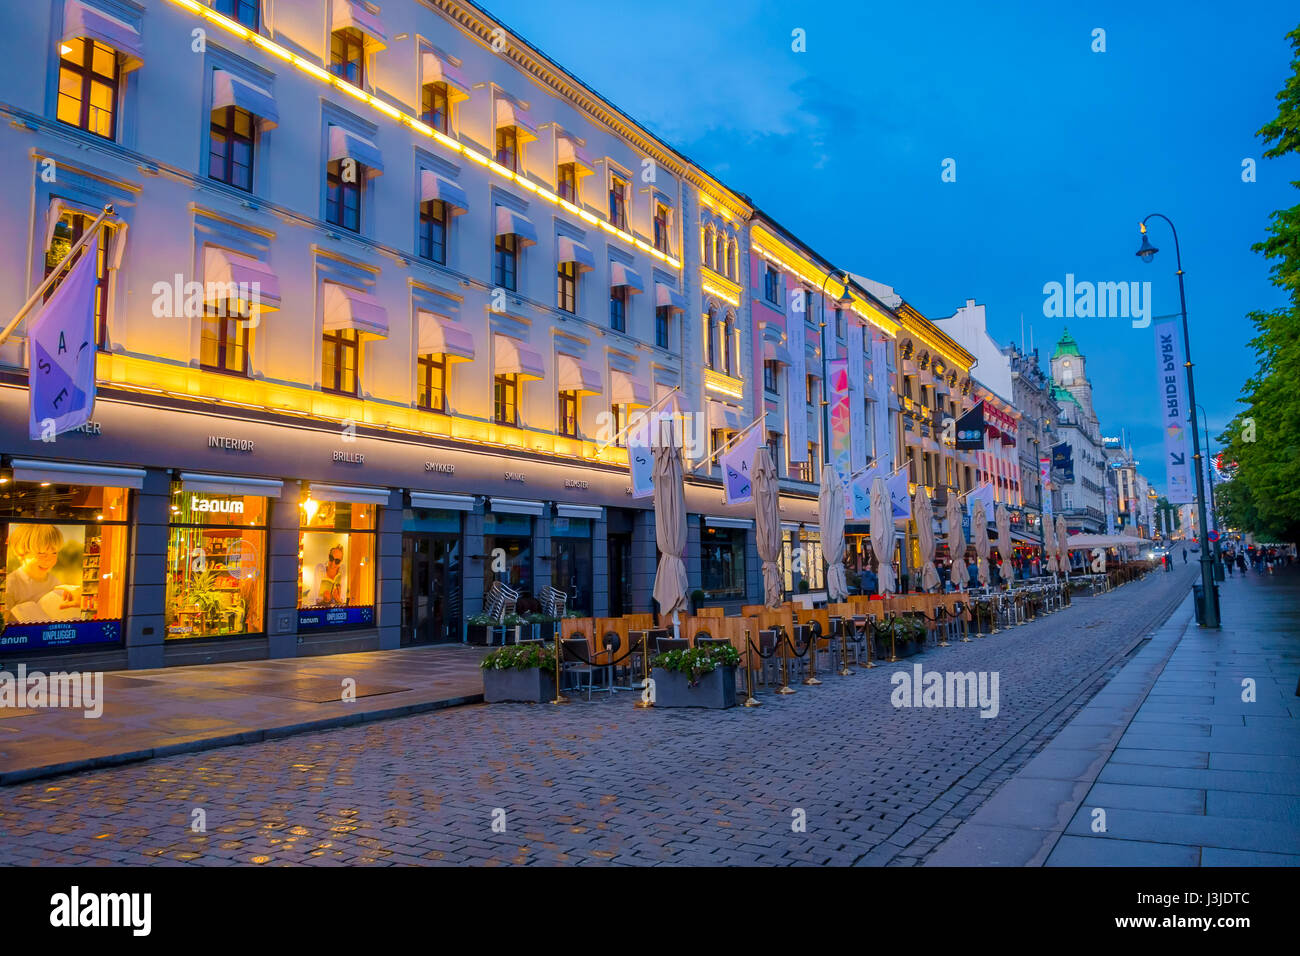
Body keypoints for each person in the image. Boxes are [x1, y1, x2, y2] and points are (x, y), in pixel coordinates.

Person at [4, 524, 80, 623]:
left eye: (54, 553)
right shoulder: (11, 583)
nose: (49, 560)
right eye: (41, 553)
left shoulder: (54, 581)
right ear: (21, 553)